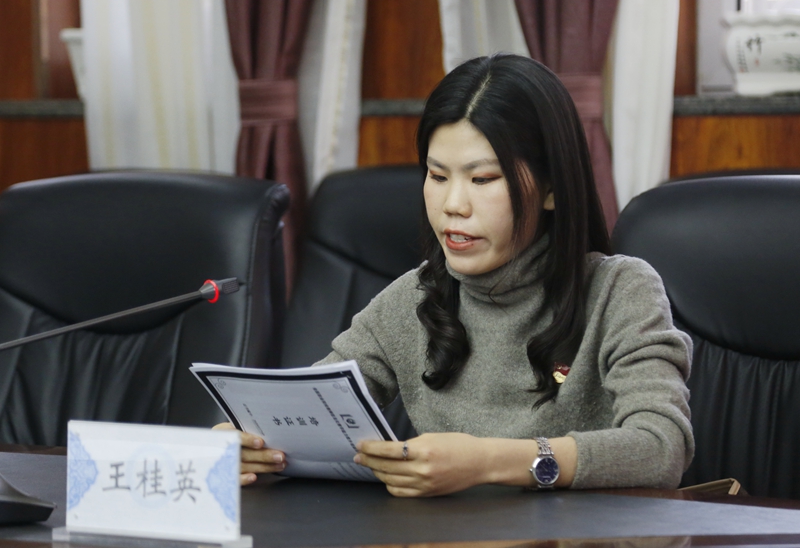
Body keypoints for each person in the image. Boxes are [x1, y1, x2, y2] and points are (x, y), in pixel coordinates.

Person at [216, 54, 694, 497]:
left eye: (482, 179)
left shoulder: (619, 290)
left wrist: (487, 462)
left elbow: (662, 448)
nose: (453, 205)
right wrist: (247, 441)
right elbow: (308, 410)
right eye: (438, 176)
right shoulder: (411, 300)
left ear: (551, 188)